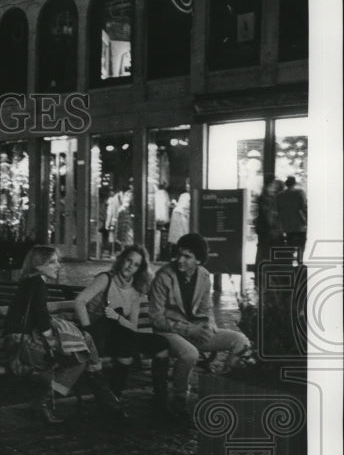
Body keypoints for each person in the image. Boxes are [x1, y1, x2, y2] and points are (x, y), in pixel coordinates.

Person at [5, 245, 120, 424]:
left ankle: (100, 391)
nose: (58, 265)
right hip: (23, 346)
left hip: (19, 342)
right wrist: (53, 341)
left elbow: (37, 317)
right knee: (81, 356)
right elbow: (41, 317)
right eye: (52, 262)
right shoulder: (37, 283)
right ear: (38, 264)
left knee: (83, 347)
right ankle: (99, 394)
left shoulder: (30, 282)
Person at [148, 233, 250, 417]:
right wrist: (190, 330)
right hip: (167, 332)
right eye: (179, 254)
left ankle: (222, 384)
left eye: (187, 256)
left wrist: (209, 325)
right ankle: (179, 398)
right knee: (190, 354)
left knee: (240, 341)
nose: (180, 260)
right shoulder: (163, 276)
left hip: (194, 330)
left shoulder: (203, 275)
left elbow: (207, 308)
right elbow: (156, 318)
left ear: (198, 260)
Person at [73, 245, 172, 415]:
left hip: (122, 334)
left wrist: (117, 317)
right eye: (129, 260)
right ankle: (114, 400)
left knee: (161, 344)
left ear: (140, 269)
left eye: (136, 264)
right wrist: (88, 330)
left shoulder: (136, 290)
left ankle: (161, 400)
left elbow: (132, 326)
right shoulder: (106, 279)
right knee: (126, 347)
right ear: (121, 260)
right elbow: (79, 301)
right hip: (100, 336)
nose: (130, 266)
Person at [275, 175, 307, 262]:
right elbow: (304, 208)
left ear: (286, 184)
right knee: (301, 245)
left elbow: (277, 211)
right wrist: (305, 221)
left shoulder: (279, 196)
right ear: (294, 183)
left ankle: (289, 261)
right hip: (299, 225)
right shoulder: (300, 193)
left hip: (286, 226)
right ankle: (300, 261)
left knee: (290, 244)